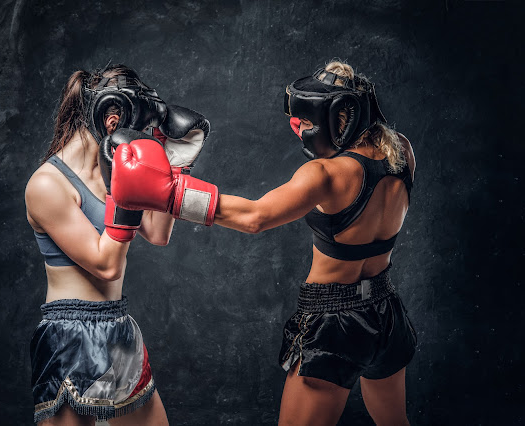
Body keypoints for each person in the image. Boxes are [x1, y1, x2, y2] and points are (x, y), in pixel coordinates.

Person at [106, 60, 417, 426]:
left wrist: (171, 194)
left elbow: (255, 217)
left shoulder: (325, 174)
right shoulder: (402, 153)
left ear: (338, 116)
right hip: (386, 312)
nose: (300, 129)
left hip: (335, 322)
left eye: (308, 119)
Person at [25, 64, 211, 425]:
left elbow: (158, 233)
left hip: (118, 325)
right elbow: (106, 263)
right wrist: (123, 191)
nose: (139, 135)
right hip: (70, 335)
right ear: (112, 119)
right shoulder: (47, 185)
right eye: (137, 126)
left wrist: (175, 163)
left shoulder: (115, 168)